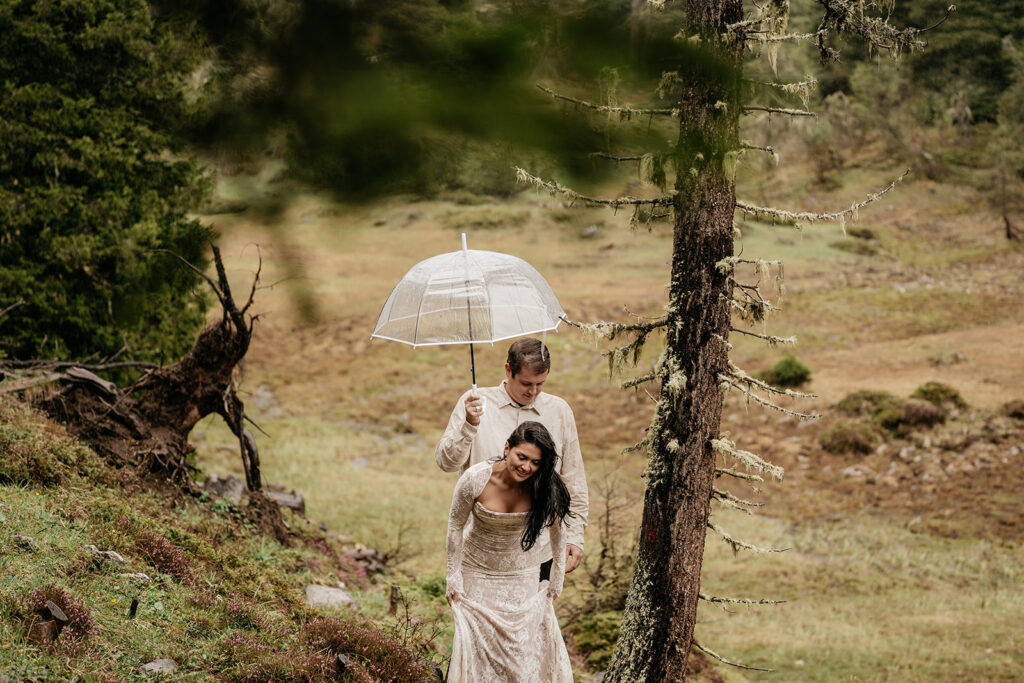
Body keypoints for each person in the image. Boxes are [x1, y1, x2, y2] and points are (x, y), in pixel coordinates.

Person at [436, 338, 588, 580]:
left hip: (539, 551)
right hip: (481, 551)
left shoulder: (559, 411)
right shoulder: (475, 404)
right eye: (526, 383)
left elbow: (573, 479)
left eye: (541, 383)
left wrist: (575, 535)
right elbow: (447, 463)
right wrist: (469, 426)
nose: (533, 391)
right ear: (508, 370)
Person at [445, 421, 574, 682]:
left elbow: (559, 534)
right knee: (477, 647)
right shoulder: (474, 479)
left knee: (519, 653)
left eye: (535, 462)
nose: (526, 467)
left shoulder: (544, 487)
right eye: (522, 457)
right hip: (476, 573)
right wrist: (453, 575)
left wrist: (557, 577)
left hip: (521, 576)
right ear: (507, 448)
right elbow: (454, 527)